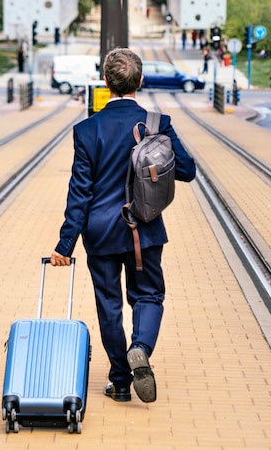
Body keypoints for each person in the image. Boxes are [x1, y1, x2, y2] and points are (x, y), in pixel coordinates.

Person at [50, 48, 196, 404]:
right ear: (140, 81)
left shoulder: (86, 131)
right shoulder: (157, 125)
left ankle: (119, 381)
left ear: (105, 82)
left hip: (100, 233)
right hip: (144, 228)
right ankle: (141, 347)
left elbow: (79, 193)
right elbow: (187, 171)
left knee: (109, 305)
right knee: (148, 295)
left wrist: (65, 245)